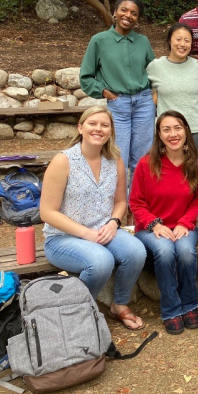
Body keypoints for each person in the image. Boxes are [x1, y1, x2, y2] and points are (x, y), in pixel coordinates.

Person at [40, 106, 146, 330]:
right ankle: (79, 313)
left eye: (104, 125)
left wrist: (114, 222)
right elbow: (47, 212)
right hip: (63, 238)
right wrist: (85, 233)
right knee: (101, 262)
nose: (98, 129)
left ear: (110, 131)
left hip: (102, 230)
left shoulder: (114, 161)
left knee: (136, 251)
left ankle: (119, 304)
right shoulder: (63, 161)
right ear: (80, 127)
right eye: (92, 123)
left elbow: (120, 203)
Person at [129, 111, 198, 335]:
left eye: (177, 128)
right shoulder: (147, 164)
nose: (173, 134)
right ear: (159, 135)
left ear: (185, 131)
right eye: (166, 129)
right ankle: (172, 309)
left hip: (184, 226)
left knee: (184, 252)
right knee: (164, 251)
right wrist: (155, 224)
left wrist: (185, 223)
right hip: (151, 227)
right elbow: (136, 202)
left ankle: (190, 304)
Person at [80, 0, 156, 181]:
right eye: (124, 10)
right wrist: (104, 92)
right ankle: (119, 204)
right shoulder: (99, 40)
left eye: (134, 13)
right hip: (118, 104)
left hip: (144, 104)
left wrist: (154, 95)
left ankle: (137, 204)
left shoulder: (143, 41)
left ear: (137, 18)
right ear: (115, 12)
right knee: (118, 157)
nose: (128, 15)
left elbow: (155, 70)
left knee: (143, 157)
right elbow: (86, 76)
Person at [147, 23, 198, 154]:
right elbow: (140, 88)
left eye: (187, 40)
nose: (182, 44)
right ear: (169, 41)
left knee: (193, 170)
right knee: (170, 171)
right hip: (168, 131)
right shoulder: (156, 66)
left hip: (195, 128)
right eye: (178, 39)